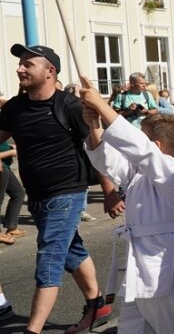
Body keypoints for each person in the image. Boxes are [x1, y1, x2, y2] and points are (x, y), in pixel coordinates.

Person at [0, 44, 113, 334]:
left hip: (67, 193)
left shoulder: (69, 106)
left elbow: (96, 150)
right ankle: (96, 305)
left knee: (49, 258)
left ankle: (33, 330)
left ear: (50, 71)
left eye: (28, 64)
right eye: (20, 63)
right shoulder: (15, 107)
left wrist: (110, 190)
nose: (20, 68)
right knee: (71, 251)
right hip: (36, 197)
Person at [79, 77, 174, 333]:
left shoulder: (172, 172)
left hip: (163, 270)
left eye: (141, 136)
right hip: (137, 269)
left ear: (156, 146)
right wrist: (94, 124)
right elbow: (106, 161)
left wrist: (102, 105)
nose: (133, 143)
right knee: (131, 329)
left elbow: (140, 148)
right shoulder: (138, 175)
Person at [0, 140, 25, 245]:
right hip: (1, 167)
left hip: (5, 166)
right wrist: (11, 152)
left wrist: (8, 146)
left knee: (18, 193)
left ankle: (11, 227)